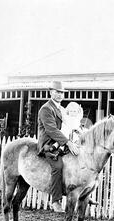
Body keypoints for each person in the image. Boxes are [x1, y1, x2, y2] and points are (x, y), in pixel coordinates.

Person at [37, 81, 79, 212]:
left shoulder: (61, 109)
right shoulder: (46, 109)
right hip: (48, 144)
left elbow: (68, 125)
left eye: (62, 93)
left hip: (61, 142)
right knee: (58, 166)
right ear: (51, 92)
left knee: (76, 160)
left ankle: (81, 192)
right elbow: (51, 130)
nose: (60, 95)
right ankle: (55, 201)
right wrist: (68, 142)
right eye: (57, 92)